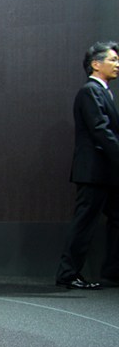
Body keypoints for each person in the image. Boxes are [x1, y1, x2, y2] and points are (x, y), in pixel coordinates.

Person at [55, 41, 119, 290]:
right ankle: (68, 274)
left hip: (106, 171)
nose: (117, 64)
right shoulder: (90, 91)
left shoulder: (103, 91)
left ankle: (112, 271)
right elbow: (100, 130)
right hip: (94, 172)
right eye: (112, 59)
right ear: (96, 64)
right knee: (85, 222)